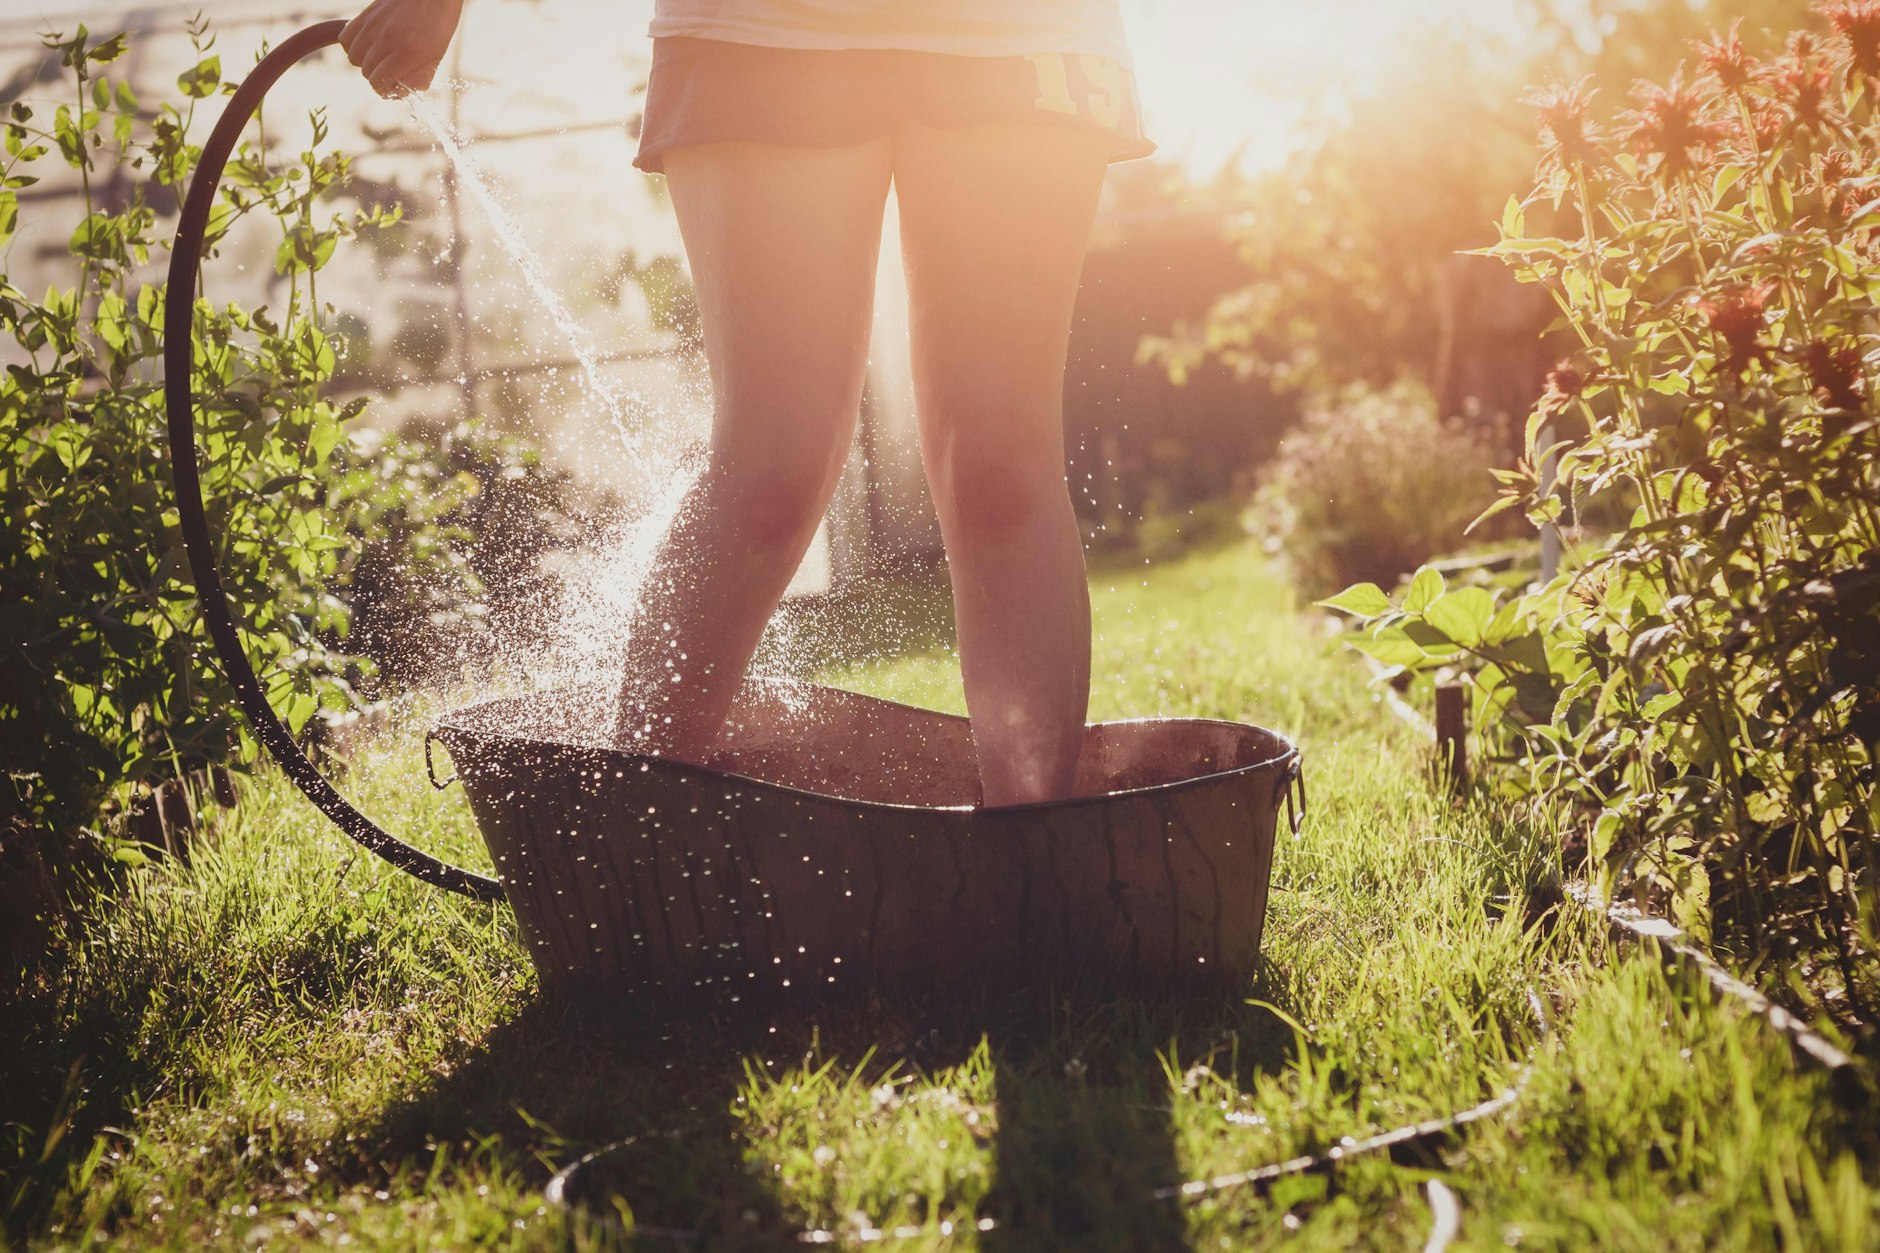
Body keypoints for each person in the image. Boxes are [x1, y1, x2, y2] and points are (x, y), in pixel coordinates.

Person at [340, 0, 1152, 806]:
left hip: (1022, 30)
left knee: (999, 469)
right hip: (762, 28)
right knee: (772, 470)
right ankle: (637, 861)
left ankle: (1038, 873)